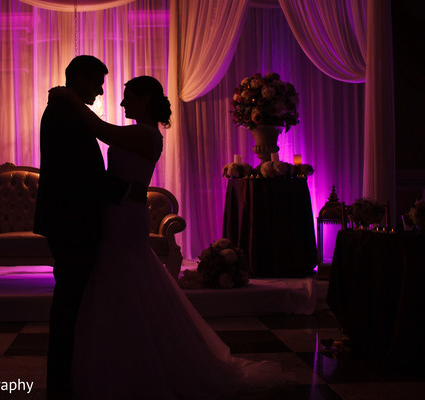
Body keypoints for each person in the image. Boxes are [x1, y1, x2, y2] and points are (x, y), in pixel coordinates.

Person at [49, 76, 291, 399]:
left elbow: (99, 129)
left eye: (128, 98)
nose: (122, 104)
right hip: (118, 215)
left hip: (126, 218)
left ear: (145, 100)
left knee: (127, 281)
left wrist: (70, 97)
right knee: (124, 282)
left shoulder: (145, 134)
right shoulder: (140, 132)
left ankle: (137, 366)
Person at [33, 55, 112, 398]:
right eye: (96, 81)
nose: (100, 89)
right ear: (78, 80)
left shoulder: (66, 107)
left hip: (71, 219)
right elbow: (80, 173)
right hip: (72, 221)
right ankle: (62, 379)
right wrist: (127, 192)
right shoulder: (65, 112)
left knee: (72, 300)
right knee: (69, 301)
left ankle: (68, 374)